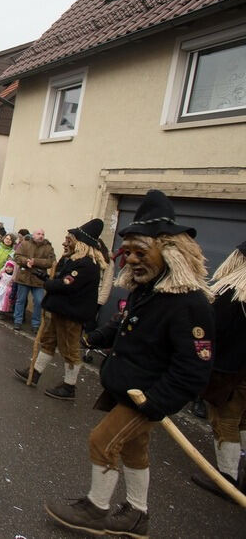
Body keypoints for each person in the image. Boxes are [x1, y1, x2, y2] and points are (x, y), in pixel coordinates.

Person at [44, 190, 214, 537]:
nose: (133, 260)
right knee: (134, 450)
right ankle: (137, 515)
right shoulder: (148, 289)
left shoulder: (190, 303)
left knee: (102, 441)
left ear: (170, 252)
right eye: (130, 252)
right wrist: (97, 336)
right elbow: (128, 325)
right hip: (128, 387)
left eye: (141, 252)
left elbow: (194, 367)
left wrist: (156, 403)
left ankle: (96, 508)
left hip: (146, 395)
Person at [13, 219, 107, 399]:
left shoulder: (87, 264)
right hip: (60, 310)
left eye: (69, 240)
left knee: (69, 350)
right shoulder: (72, 260)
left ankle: (69, 386)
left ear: (81, 244)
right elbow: (60, 279)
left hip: (71, 315)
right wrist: (47, 277)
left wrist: (48, 282)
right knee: (48, 342)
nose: (65, 243)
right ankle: (34, 373)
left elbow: (66, 285)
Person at [192, 240, 246, 498]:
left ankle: (227, 478)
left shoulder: (232, 291)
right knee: (243, 421)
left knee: (224, 419)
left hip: (229, 369)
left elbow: (213, 330)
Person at [12, 227, 56, 331]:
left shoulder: (48, 247)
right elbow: (17, 256)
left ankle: (36, 324)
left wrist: (35, 261)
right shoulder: (25, 244)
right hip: (24, 276)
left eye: (42, 234)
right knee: (20, 300)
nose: (41, 236)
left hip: (39, 279)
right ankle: (17, 321)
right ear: (33, 235)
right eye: (39, 234)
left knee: (39, 301)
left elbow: (51, 262)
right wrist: (26, 261)